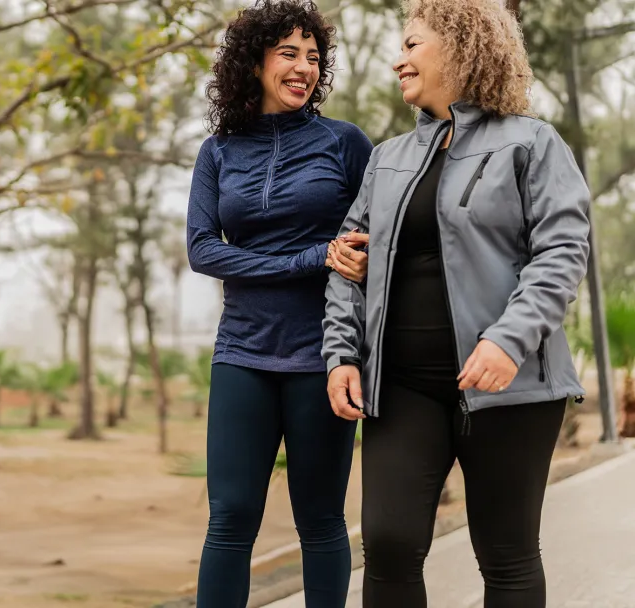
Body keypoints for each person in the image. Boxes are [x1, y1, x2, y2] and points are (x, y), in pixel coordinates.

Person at [322, 0, 590, 606]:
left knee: (506, 553)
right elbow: (346, 260)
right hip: (403, 386)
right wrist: (341, 354)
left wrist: (507, 341)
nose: (398, 60)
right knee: (388, 544)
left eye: (412, 45)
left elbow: (562, 252)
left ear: (461, 48)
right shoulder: (387, 158)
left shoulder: (532, 143)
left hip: (508, 386)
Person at [186, 0, 373, 605]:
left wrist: (353, 264)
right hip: (242, 350)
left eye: (313, 57)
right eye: (288, 53)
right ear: (254, 62)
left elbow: (375, 241)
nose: (303, 68)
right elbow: (202, 250)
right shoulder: (218, 151)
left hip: (323, 353)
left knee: (320, 519)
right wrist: (308, 259)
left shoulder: (344, 143)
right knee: (230, 517)